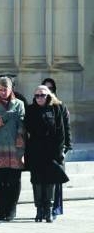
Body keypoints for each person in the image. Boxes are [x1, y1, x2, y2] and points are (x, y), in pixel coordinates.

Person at [24, 85, 68, 223]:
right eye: (37, 95)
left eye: (42, 95)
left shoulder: (56, 109)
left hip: (51, 151)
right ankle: (39, 210)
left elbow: (61, 132)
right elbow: (28, 128)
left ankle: (48, 210)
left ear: (48, 96)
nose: (39, 98)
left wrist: (60, 151)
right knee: (36, 181)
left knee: (49, 181)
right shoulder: (30, 109)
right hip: (35, 150)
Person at [0, 76, 26, 221]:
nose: (3, 92)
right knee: (0, 181)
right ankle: (1, 210)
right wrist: (1, 119)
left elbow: (23, 124)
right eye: (1, 90)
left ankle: (11, 209)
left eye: (6, 89)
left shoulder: (19, 104)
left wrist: (21, 144)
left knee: (14, 180)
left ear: (11, 89)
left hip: (15, 149)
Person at [42, 77, 72, 218]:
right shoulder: (37, 108)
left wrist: (66, 148)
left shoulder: (61, 107)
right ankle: (44, 207)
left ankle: (56, 208)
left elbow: (67, 129)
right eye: (45, 89)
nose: (48, 92)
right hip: (44, 151)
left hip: (59, 150)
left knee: (57, 179)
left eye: (51, 89)